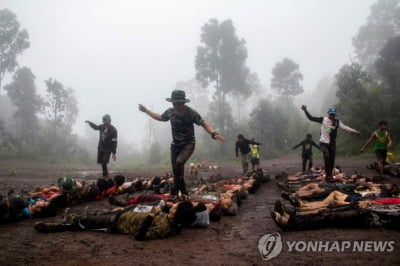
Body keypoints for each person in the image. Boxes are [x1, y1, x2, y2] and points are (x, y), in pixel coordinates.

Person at [139, 90, 224, 197]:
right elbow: (160, 117)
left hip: (188, 144)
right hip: (175, 145)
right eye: (174, 103)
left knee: (179, 163)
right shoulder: (170, 112)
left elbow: (203, 123)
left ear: (183, 103)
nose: (176, 105)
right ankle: (183, 191)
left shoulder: (191, 113)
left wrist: (213, 133)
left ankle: (175, 189)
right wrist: (146, 111)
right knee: (176, 170)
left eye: (179, 103)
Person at [34, 201, 198, 240]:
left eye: (175, 207)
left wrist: (150, 216)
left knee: (83, 224)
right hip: (121, 215)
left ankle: (51, 227)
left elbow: (140, 236)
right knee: (91, 218)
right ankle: (71, 217)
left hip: (115, 224)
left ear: (177, 214)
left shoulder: (163, 229)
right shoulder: (172, 222)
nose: (173, 206)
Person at [301, 105, 360, 181]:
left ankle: (330, 175)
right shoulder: (323, 119)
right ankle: (328, 176)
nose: (332, 116)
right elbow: (311, 118)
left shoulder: (337, 122)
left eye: (333, 114)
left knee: (332, 160)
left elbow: (345, 128)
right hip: (323, 143)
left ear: (335, 115)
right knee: (326, 155)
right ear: (328, 113)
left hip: (332, 144)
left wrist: (355, 131)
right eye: (330, 114)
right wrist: (305, 110)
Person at [85, 114, 118, 178]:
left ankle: (104, 176)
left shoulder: (114, 130)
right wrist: (90, 123)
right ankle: (106, 174)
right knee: (102, 163)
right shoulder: (102, 127)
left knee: (104, 162)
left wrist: (114, 153)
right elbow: (96, 127)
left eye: (106, 122)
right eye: (104, 122)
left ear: (110, 121)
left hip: (108, 150)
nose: (105, 124)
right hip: (101, 148)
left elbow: (114, 142)